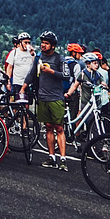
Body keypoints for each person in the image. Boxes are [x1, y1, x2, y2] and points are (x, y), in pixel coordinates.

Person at [34, 33, 74, 171]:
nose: (42, 45)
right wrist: (23, 87)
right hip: (42, 96)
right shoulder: (39, 57)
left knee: (59, 128)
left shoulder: (59, 59)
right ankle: (51, 157)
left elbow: (66, 76)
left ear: (52, 45)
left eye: (46, 43)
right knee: (48, 127)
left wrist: (51, 71)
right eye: (42, 42)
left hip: (56, 97)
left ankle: (63, 159)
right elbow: (32, 73)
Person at [6, 33, 36, 103]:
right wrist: (8, 81)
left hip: (28, 82)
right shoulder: (14, 52)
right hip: (17, 82)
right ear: (20, 42)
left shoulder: (31, 53)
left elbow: (35, 65)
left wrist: (32, 54)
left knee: (27, 103)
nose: (27, 44)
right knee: (17, 102)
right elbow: (9, 67)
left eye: (29, 42)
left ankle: (27, 114)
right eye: (25, 42)